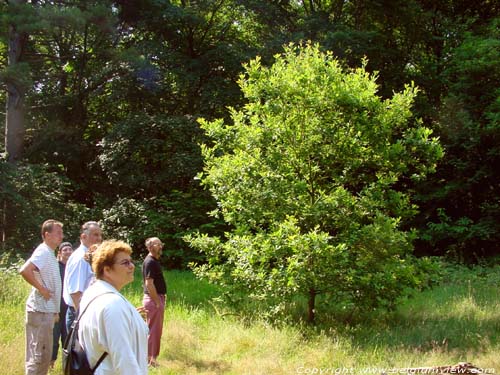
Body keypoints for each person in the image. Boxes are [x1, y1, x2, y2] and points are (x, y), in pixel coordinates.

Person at [78, 240, 148, 375]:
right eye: (125, 263)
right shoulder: (112, 304)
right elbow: (124, 360)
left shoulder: (93, 293)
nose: (132, 266)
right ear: (107, 270)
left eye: (130, 261)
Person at [19, 219, 64, 375]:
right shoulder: (43, 251)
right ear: (47, 235)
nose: (61, 236)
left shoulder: (49, 253)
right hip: (40, 312)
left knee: (44, 357)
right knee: (37, 357)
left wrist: (55, 311)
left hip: (47, 312)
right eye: (58, 233)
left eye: (61, 233)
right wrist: (42, 289)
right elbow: (25, 270)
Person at [63, 221, 102, 331]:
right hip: (79, 314)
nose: (99, 238)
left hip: (87, 312)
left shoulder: (90, 257)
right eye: (95, 234)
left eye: (100, 235)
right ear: (83, 236)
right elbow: (75, 292)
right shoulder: (80, 258)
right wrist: (82, 320)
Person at [142, 237, 167, 367]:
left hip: (156, 298)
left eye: (161, 244)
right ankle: (150, 360)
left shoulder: (154, 261)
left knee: (155, 330)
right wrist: (157, 302)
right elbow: (149, 283)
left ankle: (151, 359)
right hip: (153, 299)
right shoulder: (150, 262)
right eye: (158, 244)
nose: (161, 246)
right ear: (150, 247)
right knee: (154, 331)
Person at [51, 241, 73, 368]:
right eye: (65, 250)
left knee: (68, 339)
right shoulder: (55, 267)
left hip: (69, 309)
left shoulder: (73, 266)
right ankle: (51, 365)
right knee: (54, 338)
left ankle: (67, 366)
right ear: (59, 253)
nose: (68, 252)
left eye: (70, 250)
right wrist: (54, 310)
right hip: (56, 308)